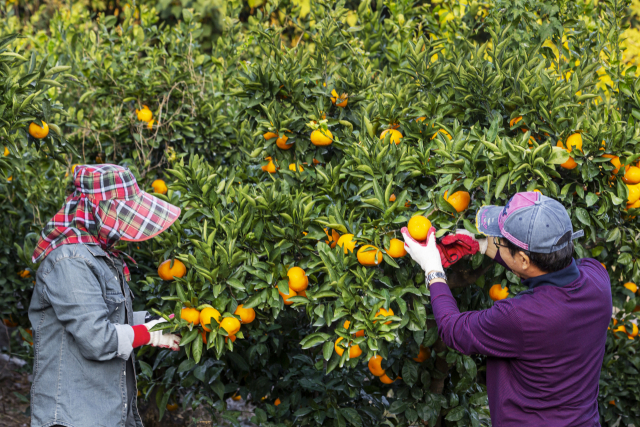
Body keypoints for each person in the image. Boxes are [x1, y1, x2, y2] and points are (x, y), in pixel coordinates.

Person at [402, 191, 612, 427]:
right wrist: (481, 246)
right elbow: (548, 270)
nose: (496, 243)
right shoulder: (598, 279)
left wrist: (432, 267)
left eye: (499, 241)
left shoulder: (521, 317)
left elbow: (454, 330)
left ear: (523, 259)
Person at [28, 164, 182, 427]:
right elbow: (97, 338)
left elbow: (109, 315)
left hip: (105, 410)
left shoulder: (101, 255)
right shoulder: (71, 260)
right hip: (74, 415)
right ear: (96, 210)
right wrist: (148, 333)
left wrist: (162, 322)